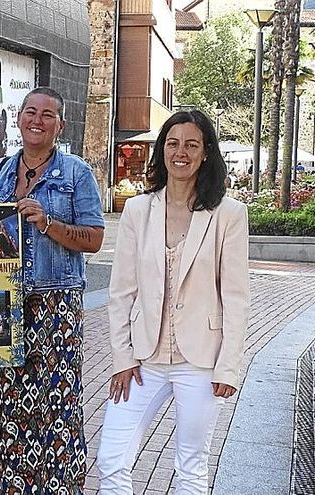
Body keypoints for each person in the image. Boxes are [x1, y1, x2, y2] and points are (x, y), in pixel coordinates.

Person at [96, 110, 249, 494]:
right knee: (111, 459)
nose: (181, 152)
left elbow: (235, 296)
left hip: (200, 361)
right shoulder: (137, 209)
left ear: (206, 153)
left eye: (192, 144)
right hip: (143, 358)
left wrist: (228, 367)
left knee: (191, 466)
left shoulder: (228, 214)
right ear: (162, 149)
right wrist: (122, 357)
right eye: (173, 143)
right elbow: (121, 292)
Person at [0, 87, 105, 494]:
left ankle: (56, 486)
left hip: (54, 305)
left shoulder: (76, 173)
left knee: (55, 402)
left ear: (60, 125)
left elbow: (94, 238)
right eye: (31, 112)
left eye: (48, 115)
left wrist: (47, 223)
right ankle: (6, 485)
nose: (37, 120)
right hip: (0, 303)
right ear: (19, 118)